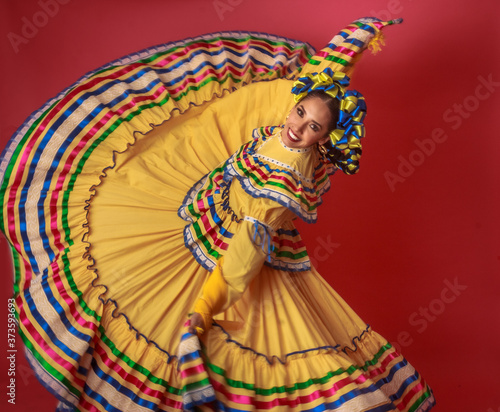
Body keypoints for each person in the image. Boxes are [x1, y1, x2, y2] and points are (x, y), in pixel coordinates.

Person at [0, 17, 435, 412]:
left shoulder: (281, 180)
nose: (298, 127)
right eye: (300, 112)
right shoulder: (287, 115)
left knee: (182, 341)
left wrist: (205, 308)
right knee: (120, 296)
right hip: (200, 222)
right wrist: (357, 40)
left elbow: (246, 252)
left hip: (225, 264)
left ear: (325, 138)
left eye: (313, 128)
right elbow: (318, 78)